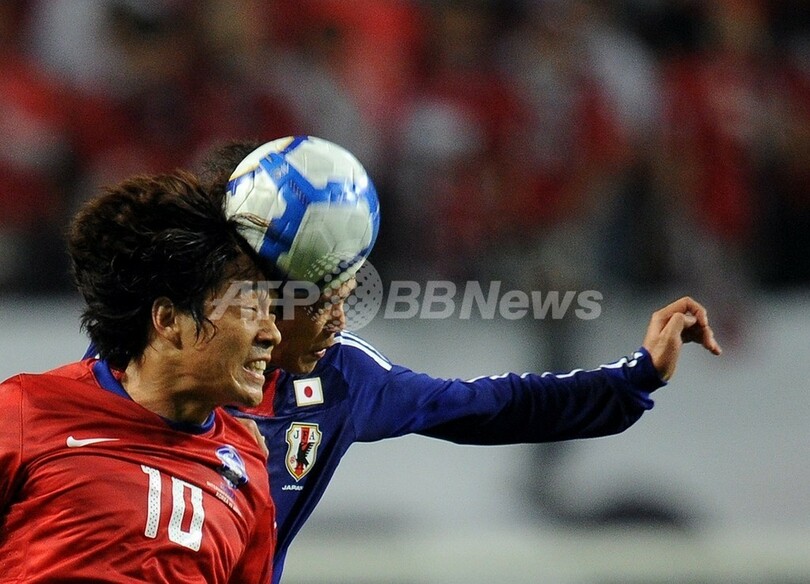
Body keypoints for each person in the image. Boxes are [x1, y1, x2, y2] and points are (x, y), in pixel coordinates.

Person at [200, 139, 723, 584]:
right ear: (266, 292)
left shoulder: (339, 380)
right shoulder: (148, 371)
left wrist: (637, 376)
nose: (340, 321)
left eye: (346, 296)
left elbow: (493, 406)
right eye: (323, 300)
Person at [0, 171, 279, 582]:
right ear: (167, 319)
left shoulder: (249, 469)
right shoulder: (25, 411)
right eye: (249, 308)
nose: (271, 333)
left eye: (271, 311)